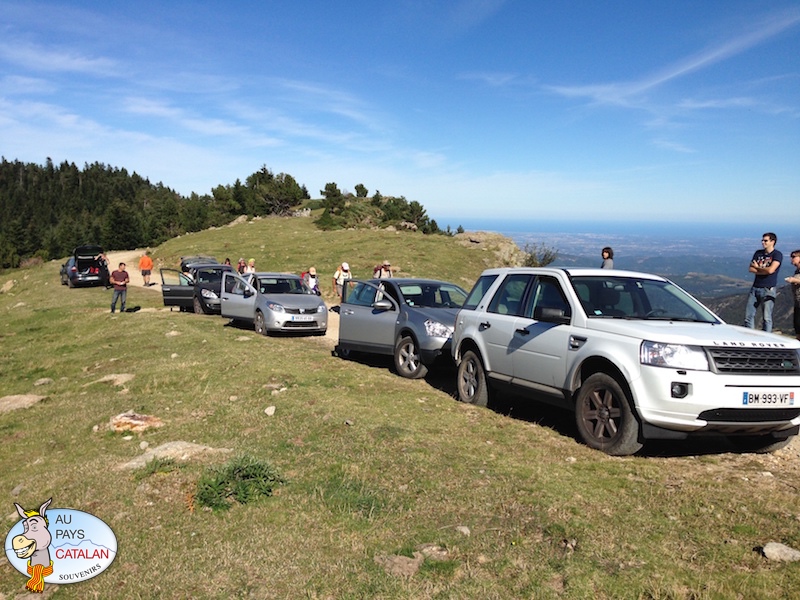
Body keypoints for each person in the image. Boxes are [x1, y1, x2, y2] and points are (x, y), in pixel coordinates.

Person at [744, 232, 782, 332]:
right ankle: (750, 336)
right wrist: (763, 270)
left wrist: (758, 267)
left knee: (767, 317)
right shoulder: (758, 253)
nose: (763, 242)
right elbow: (751, 269)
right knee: (748, 316)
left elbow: (771, 270)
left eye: (765, 240)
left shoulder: (777, 254)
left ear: (772, 242)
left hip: (768, 288)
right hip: (755, 287)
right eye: (762, 240)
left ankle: (767, 338)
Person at [786, 250, 800, 340]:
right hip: (798, 302)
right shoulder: (797, 271)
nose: (792, 259)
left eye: (794, 257)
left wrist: (795, 280)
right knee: (798, 326)